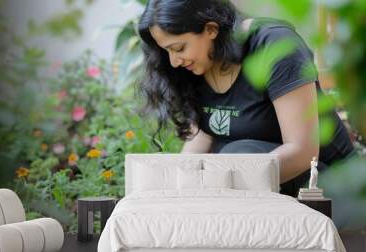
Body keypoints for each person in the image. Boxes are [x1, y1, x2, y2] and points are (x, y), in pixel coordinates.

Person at [137, 0, 355, 197]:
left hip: (328, 186)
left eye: (179, 48)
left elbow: (302, 152)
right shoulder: (197, 65)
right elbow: (203, 138)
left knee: (235, 155)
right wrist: (175, 188)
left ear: (211, 29)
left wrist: (216, 182)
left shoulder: (274, 46)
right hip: (260, 188)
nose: (174, 61)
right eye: (167, 52)